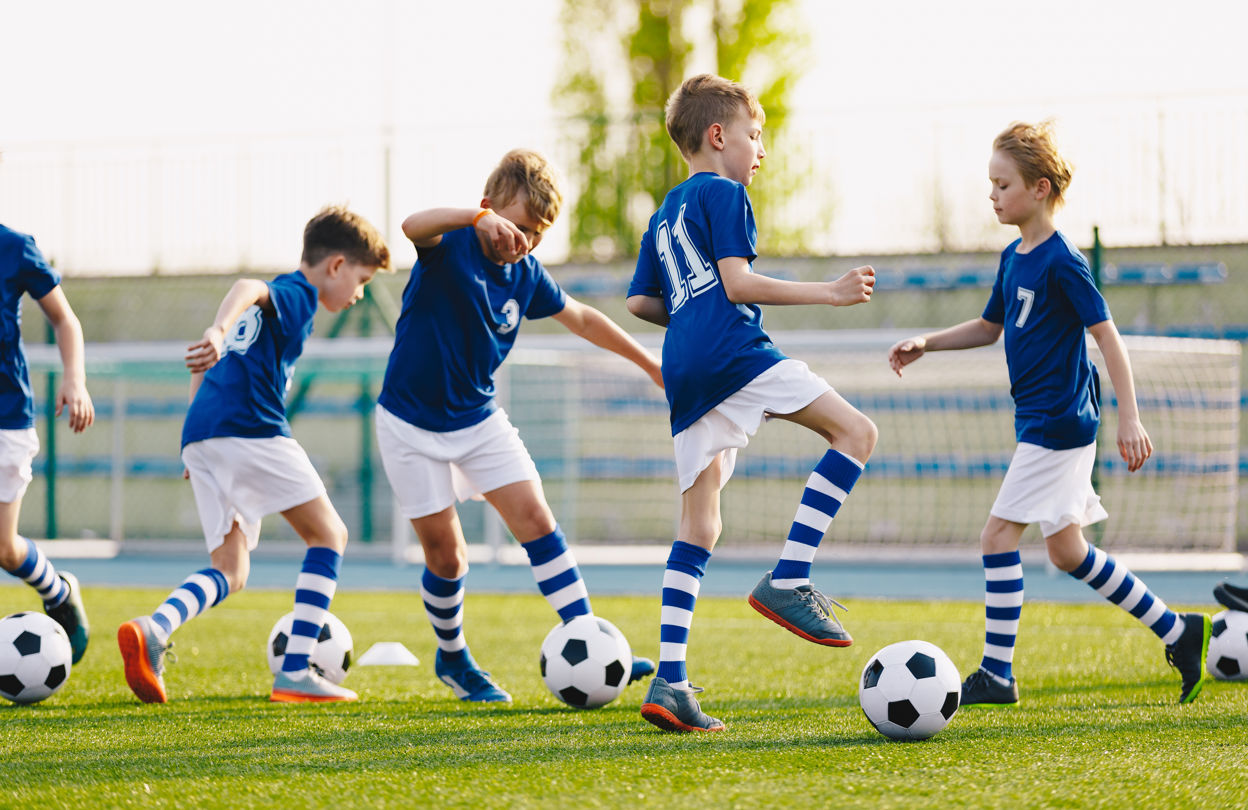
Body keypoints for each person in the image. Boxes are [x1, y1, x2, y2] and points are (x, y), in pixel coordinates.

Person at [887, 121, 1210, 706]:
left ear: (1038, 189)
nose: (992, 195)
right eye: (990, 183)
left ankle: (997, 673)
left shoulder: (1064, 261)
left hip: (1057, 425)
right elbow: (988, 328)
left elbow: (1108, 339)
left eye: (1002, 184)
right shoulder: (1013, 258)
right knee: (1068, 552)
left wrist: (1130, 418)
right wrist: (926, 342)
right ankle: (1179, 629)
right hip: (1041, 423)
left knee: (995, 538)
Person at [626, 74, 878, 733]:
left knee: (699, 527)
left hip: (684, 367)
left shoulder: (666, 210)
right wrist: (831, 292)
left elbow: (639, 303)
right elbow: (737, 284)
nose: (760, 151)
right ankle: (790, 576)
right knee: (855, 433)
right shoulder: (725, 193)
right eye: (755, 135)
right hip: (733, 352)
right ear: (718, 136)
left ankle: (669, 680)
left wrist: (691, 319)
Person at [377, 148, 662, 704]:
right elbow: (413, 224)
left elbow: (581, 317)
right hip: (408, 422)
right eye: (518, 225)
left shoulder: (526, 274)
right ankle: (453, 657)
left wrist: (650, 364)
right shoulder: (451, 244)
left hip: (478, 419)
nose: (524, 241)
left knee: (535, 517)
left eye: (537, 234)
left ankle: (589, 640)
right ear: (488, 208)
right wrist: (474, 218)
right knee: (447, 557)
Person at [117, 205, 391, 704]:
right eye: (362, 279)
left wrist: (194, 435)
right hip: (250, 429)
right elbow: (249, 285)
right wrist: (218, 330)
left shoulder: (284, 306)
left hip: (205, 432)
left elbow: (207, 366)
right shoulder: (298, 294)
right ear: (335, 266)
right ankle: (295, 672)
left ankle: (154, 628)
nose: (359, 294)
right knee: (329, 534)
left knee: (231, 569)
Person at [0, 224, 94, 664]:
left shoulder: (15, 247)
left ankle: (58, 590)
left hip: (7, 418)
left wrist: (74, 380)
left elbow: (64, 318)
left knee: (4, 548)